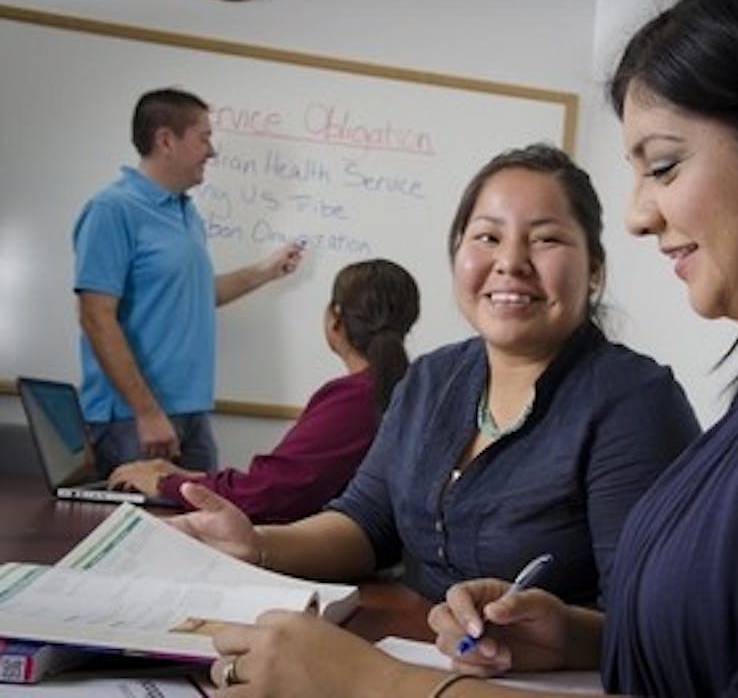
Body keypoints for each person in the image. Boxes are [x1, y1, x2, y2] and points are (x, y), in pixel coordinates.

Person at [198, 0, 738, 695]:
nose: (639, 211)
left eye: (663, 165)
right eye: (484, 236)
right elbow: (735, 620)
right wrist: (577, 634)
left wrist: (374, 687)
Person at [170, 142, 700, 609]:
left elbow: (645, 623)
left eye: (545, 239)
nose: (510, 262)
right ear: (456, 256)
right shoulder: (431, 378)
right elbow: (365, 523)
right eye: (487, 237)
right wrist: (256, 543)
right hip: (409, 650)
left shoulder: (635, 402)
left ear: (595, 271)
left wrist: (554, 634)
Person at [73, 87, 304, 478]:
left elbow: (198, 295)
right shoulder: (113, 210)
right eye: (204, 137)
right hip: (134, 420)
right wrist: (147, 412)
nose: (211, 151)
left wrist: (266, 271)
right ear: (166, 140)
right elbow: (96, 317)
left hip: (190, 412)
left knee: (201, 530)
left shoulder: (187, 213)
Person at [106, 258, 420, 523]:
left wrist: (165, 483)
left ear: (335, 319)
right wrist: (185, 478)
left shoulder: (353, 399)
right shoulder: (413, 390)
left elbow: (267, 496)